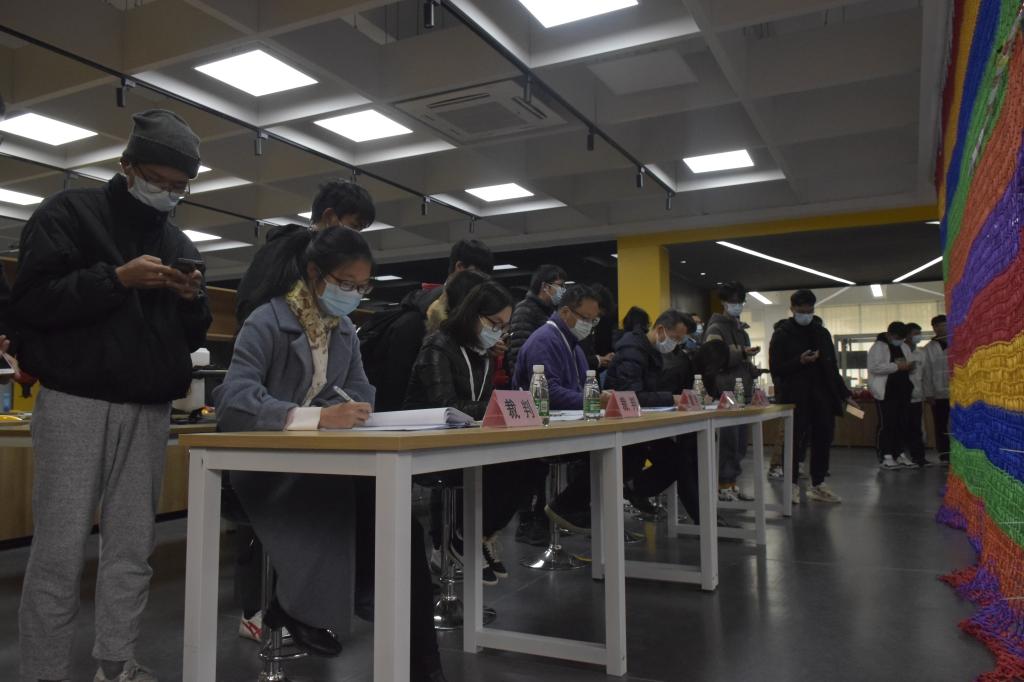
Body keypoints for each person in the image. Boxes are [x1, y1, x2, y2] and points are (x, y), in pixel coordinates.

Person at [11, 109, 211, 682]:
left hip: (148, 407)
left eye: (180, 187)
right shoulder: (67, 214)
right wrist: (116, 279)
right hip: (76, 399)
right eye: (158, 180)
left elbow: (191, 336)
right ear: (127, 165)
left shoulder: (176, 239)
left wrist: (190, 300)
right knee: (59, 548)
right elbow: (33, 302)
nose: (167, 194)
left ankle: (117, 662)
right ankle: (43, 672)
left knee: (132, 547)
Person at [213, 227, 445, 681]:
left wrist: (354, 411)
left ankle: (415, 656)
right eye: (345, 283)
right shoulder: (267, 320)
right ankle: (318, 603)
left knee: (399, 521)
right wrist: (316, 417)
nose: (354, 294)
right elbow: (234, 400)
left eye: (363, 286)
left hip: (324, 463)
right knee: (376, 512)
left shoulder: (344, 332)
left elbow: (360, 390)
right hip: (267, 467)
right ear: (314, 273)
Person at [405, 280, 541, 585]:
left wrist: (499, 407)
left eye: (504, 326)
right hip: (428, 443)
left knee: (530, 462)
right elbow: (446, 406)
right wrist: (500, 407)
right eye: (494, 323)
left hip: (467, 439)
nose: (499, 332)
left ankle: (478, 533)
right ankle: (461, 535)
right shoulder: (437, 345)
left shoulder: (482, 353)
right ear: (472, 315)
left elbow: (483, 402)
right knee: (505, 468)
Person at [512, 285, 611, 532]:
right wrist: (593, 400)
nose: (589, 325)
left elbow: (580, 388)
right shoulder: (545, 340)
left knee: (620, 449)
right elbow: (549, 394)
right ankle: (567, 506)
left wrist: (598, 398)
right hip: (541, 431)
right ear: (565, 311)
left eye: (594, 320)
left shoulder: (573, 344)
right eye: (586, 318)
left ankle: (572, 506)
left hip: (566, 425)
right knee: (610, 452)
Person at [362, 239, 494, 413]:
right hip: (411, 419)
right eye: (479, 275)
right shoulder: (416, 319)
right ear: (460, 267)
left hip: (448, 418)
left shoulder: (463, 317)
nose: (483, 285)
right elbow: (397, 385)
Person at [605, 309, 702, 521]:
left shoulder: (649, 351)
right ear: (660, 330)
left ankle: (702, 517)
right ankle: (631, 489)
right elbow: (632, 396)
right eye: (675, 338)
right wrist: (671, 399)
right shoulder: (633, 351)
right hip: (622, 425)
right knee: (678, 460)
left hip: (641, 422)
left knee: (680, 457)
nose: (676, 344)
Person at [235, 179, 375, 325]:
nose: (356, 236)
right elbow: (251, 304)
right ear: (329, 217)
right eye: (354, 227)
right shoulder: (285, 250)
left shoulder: (335, 260)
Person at [769, 290, 855, 503]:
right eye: (801, 310)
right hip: (795, 396)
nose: (806, 314)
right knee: (794, 440)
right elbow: (776, 368)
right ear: (792, 309)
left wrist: (844, 394)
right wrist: (799, 361)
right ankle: (791, 485)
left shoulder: (821, 333)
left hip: (823, 395)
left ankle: (818, 484)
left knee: (823, 439)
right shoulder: (782, 334)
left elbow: (832, 367)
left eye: (810, 310)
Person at [703, 281, 760, 501]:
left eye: (741, 301)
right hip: (724, 391)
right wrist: (742, 353)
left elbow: (742, 360)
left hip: (742, 391)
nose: (738, 305)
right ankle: (723, 483)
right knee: (728, 441)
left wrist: (752, 369)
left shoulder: (741, 330)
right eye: (734, 301)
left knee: (740, 442)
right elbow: (713, 358)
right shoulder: (715, 329)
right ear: (724, 302)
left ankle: (732, 482)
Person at [868, 321, 919, 470]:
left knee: (902, 423)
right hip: (886, 392)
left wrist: (910, 366)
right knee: (887, 424)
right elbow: (874, 367)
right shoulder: (878, 347)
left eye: (902, 338)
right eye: (897, 338)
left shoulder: (904, 346)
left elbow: (909, 363)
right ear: (889, 335)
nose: (900, 341)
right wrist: (897, 366)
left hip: (903, 390)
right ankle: (886, 455)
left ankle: (899, 453)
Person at [505, 264, 567, 374]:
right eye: (560, 285)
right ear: (545, 286)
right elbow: (519, 351)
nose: (563, 290)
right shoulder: (525, 310)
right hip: (532, 377)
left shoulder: (549, 311)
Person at [922, 314, 950, 464]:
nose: (942, 328)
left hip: (959, 393)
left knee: (960, 424)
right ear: (934, 328)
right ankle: (945, 454)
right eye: (938, 326)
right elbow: (926, 373)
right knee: (941, 425)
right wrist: (929, 394)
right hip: (938, 394)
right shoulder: (928, 349)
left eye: (944, 325)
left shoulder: (960, 342)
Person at [904, 323, 933, 467]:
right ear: (907, 335)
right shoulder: (900, 351)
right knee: (901, 427)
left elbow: (925, 376)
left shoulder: (921, 353)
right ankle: (900, 456)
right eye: (915, 333)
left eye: (919, 333)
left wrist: (928, 393)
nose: (918, 336)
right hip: (901, 397)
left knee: (916, 428)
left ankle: (919, 457)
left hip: (917, 396)